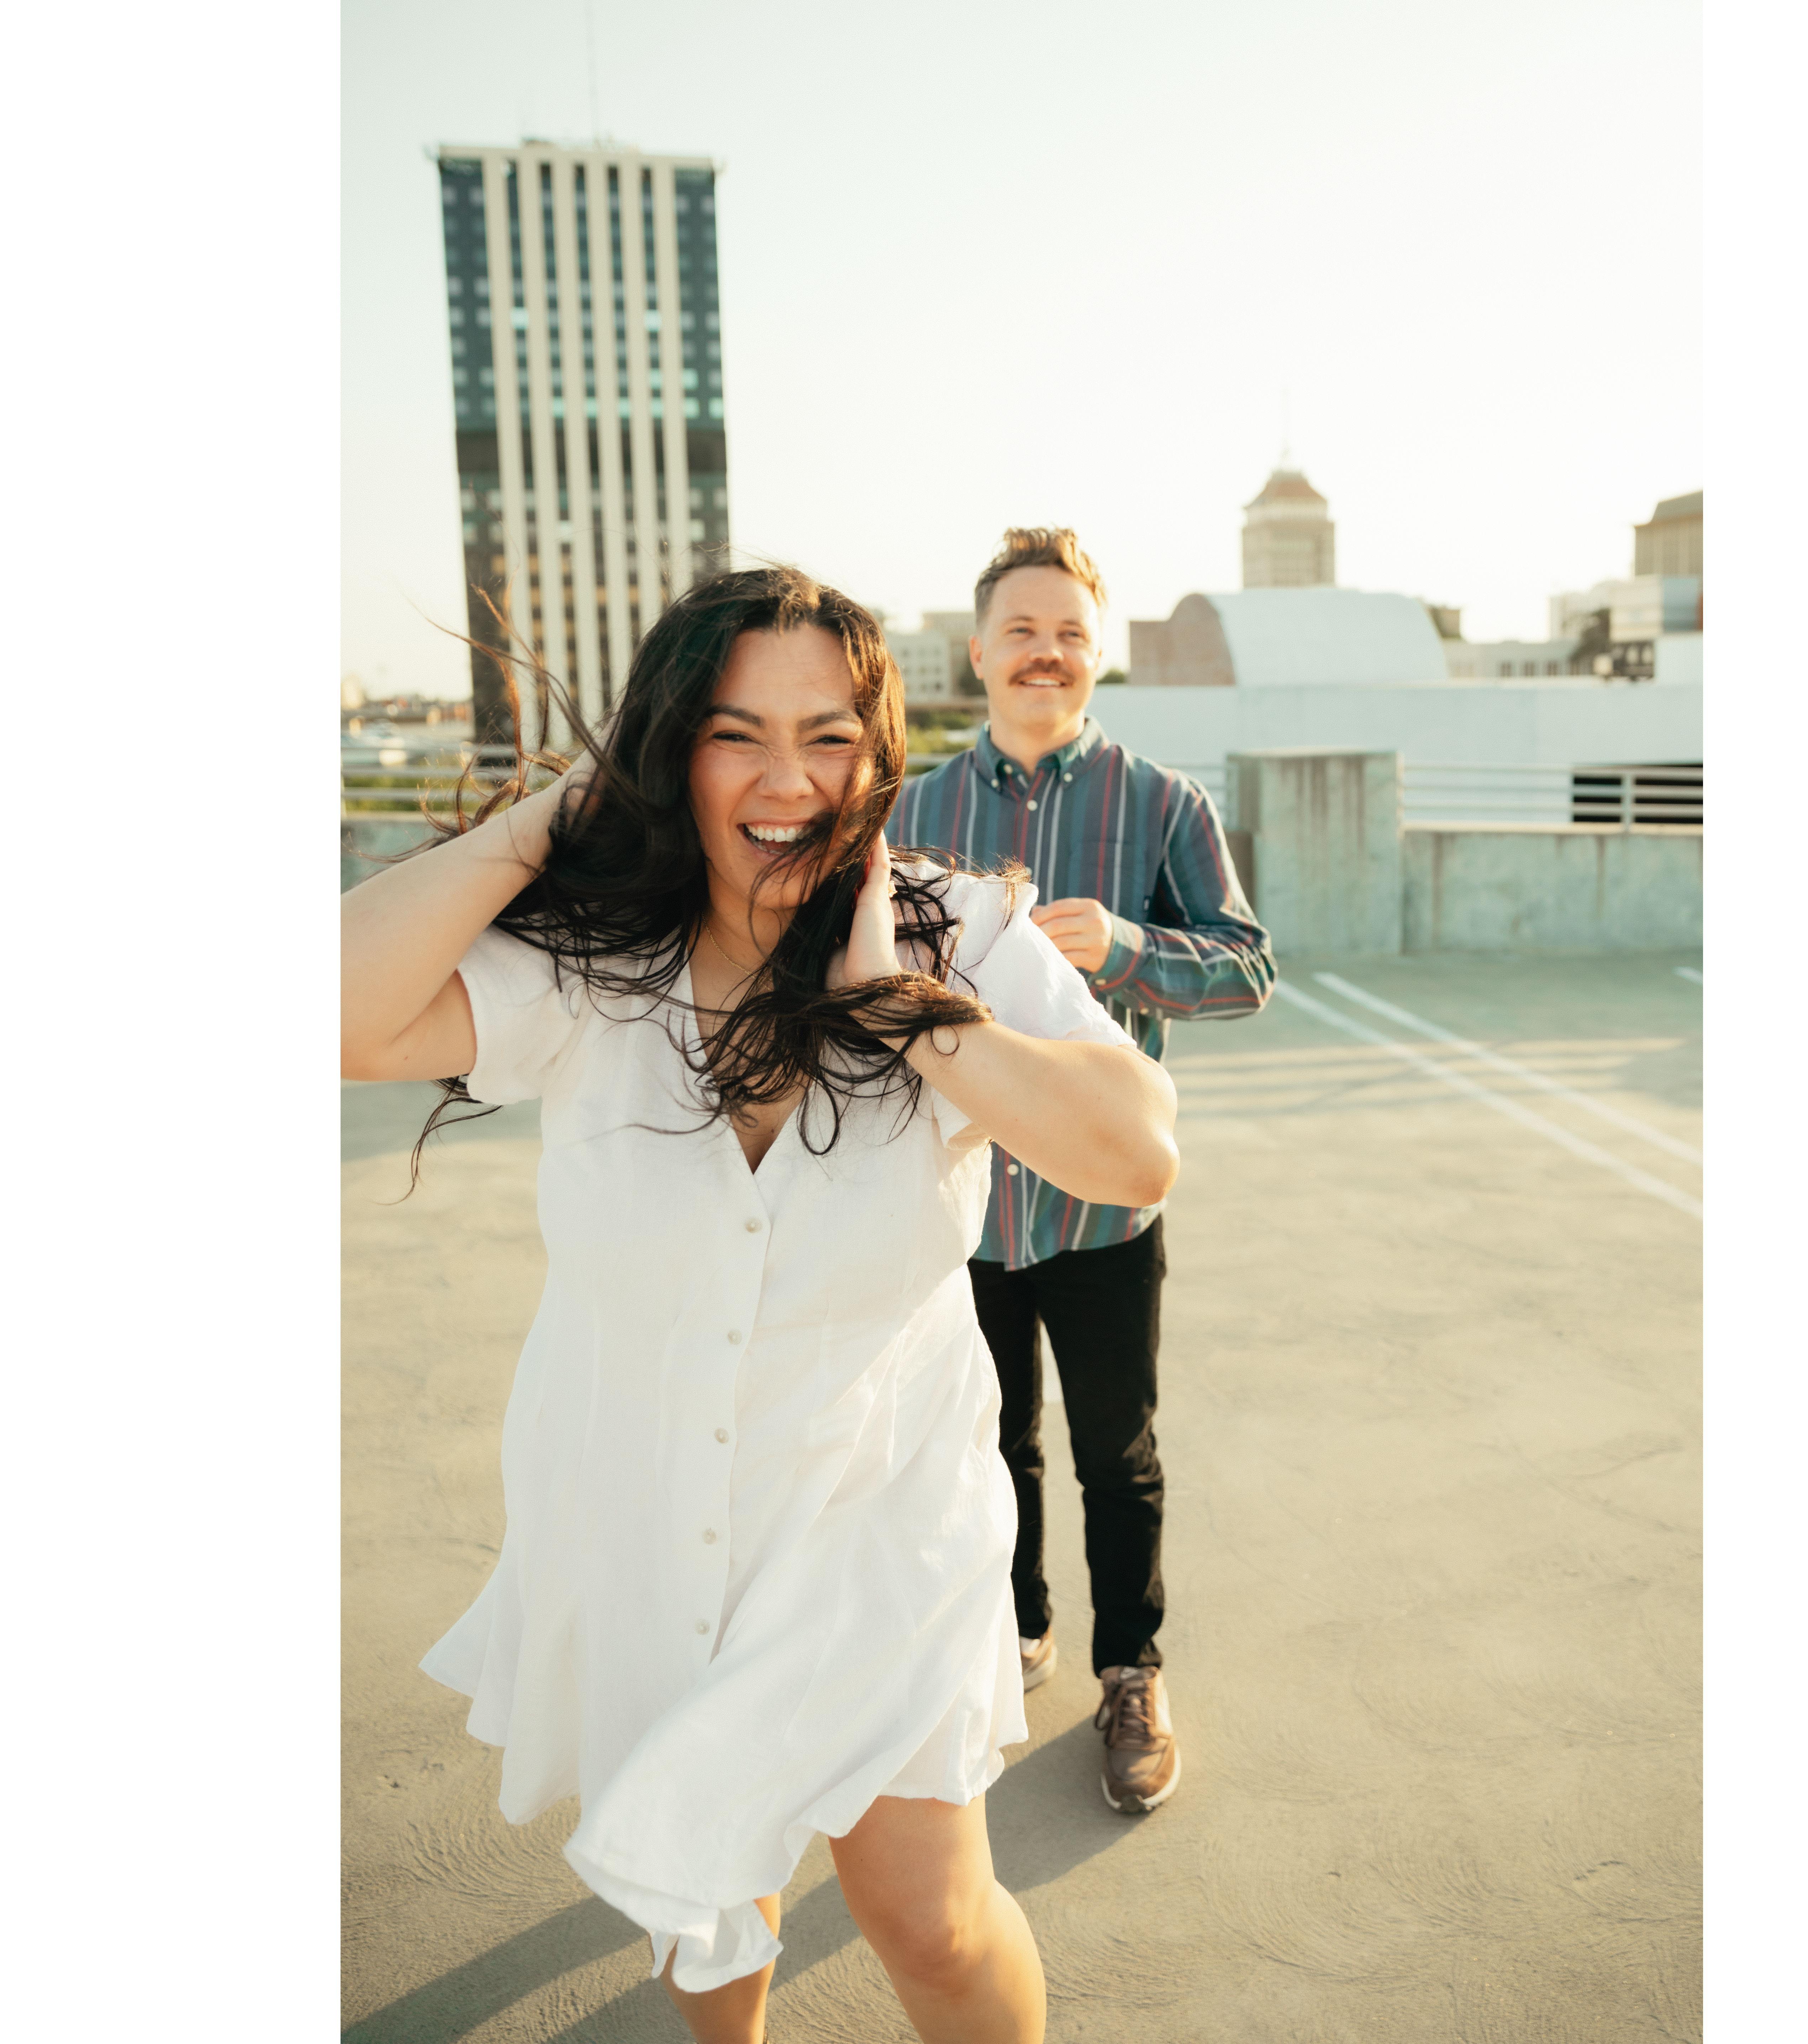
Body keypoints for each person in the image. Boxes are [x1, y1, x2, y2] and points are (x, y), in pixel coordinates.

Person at [340, 566, 1179, 2044]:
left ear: (878, 751)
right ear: (670, 751)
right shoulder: (597, 952)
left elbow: (1135, 1152)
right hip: (641, 1504)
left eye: (827, 736)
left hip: (880, 1512)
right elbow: (338, 1016)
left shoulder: (956, 932)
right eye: (735, 735)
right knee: (707, 1913)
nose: (787, 780)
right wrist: (556, 817)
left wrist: (906, 1014)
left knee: (929, 1917)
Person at [889, 529, 1274, 1816]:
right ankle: (1016, 1630)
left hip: (1105, 1206)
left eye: (1069, 632)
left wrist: (1129, 948)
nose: (1044, 652)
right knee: (985, 1444)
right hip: (957, 1207)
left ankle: (1130, 1670)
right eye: (1021, 629)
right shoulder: (910, 813)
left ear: (1098, 652)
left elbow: (1249, 967)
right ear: (979, 650)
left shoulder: (1166, 804)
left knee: (1119, 1452)